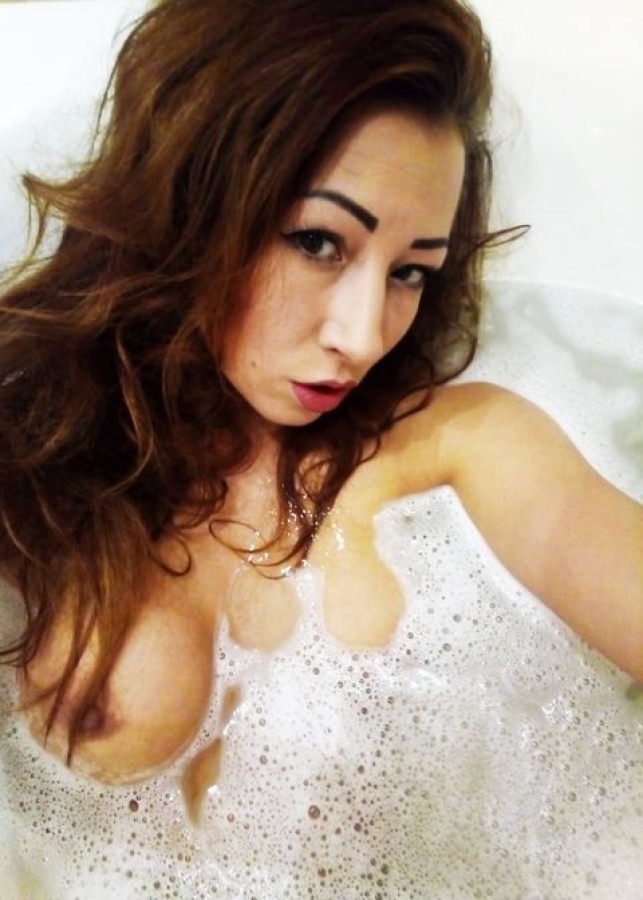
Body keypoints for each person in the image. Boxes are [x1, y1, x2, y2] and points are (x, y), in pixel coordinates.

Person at [0, 0, 640, 789]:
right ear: (189, 207)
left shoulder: (468, 443)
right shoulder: (38, 456)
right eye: (317, 242)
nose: (363, 337)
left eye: (410, 271)